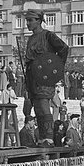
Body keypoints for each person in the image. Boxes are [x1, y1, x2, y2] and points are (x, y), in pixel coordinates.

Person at [23, 9, 69, 142]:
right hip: (32, 77)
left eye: (30, 20)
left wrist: (56, 68)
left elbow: (64, 48)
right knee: (37, 108)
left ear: (38, 21)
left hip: (44, 77)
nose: (28, 23)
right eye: (27, 20)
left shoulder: (48, 35)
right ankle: (42, 137)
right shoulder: (31, 38)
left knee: (44, 107)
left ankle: (49, 138)